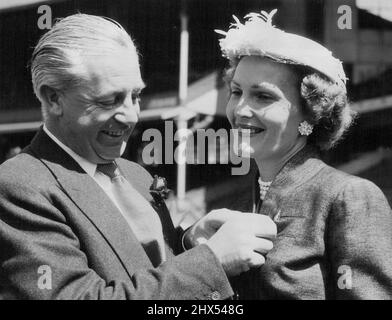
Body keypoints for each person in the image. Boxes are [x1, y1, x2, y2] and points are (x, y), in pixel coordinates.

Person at [0, 14, 277, 299]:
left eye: (136, 96)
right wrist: (211, 262)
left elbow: (147, 266)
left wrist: (188, 241)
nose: (131, 116)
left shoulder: (135, 174)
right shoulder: (19, 185)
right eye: (109, 100)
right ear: (53, 99)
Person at [188, 9, 392, 299]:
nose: (241, 110)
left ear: (311, 110)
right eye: (236, 92)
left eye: (263, 96)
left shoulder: (348, 196)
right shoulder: (239, 204)